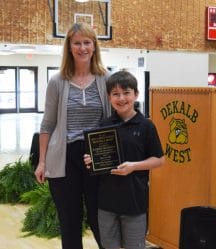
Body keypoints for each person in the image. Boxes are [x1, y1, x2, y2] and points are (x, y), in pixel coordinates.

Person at [34, 23, 111, 249]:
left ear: (94, 46)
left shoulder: (106, 79)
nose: (82, 47)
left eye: (87, 42)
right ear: (69, 47)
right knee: (69, 222)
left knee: (100, 220)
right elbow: (47, 124)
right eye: (76, 43)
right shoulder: (57, 81)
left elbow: (115, 120)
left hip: (95, 157)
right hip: (65, 157)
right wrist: (42, 161)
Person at [84, 70, 165, 249]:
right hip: (106, 202)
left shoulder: (146, 126)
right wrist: (91, 159)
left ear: (136, 94)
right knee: (108, 245)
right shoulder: (104, 124)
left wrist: (134, 166)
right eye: (115, 94)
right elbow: (96, 160)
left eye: (126, 93)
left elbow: (159, 160)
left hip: (134, 202)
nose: (121, 98)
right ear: (109, 97)